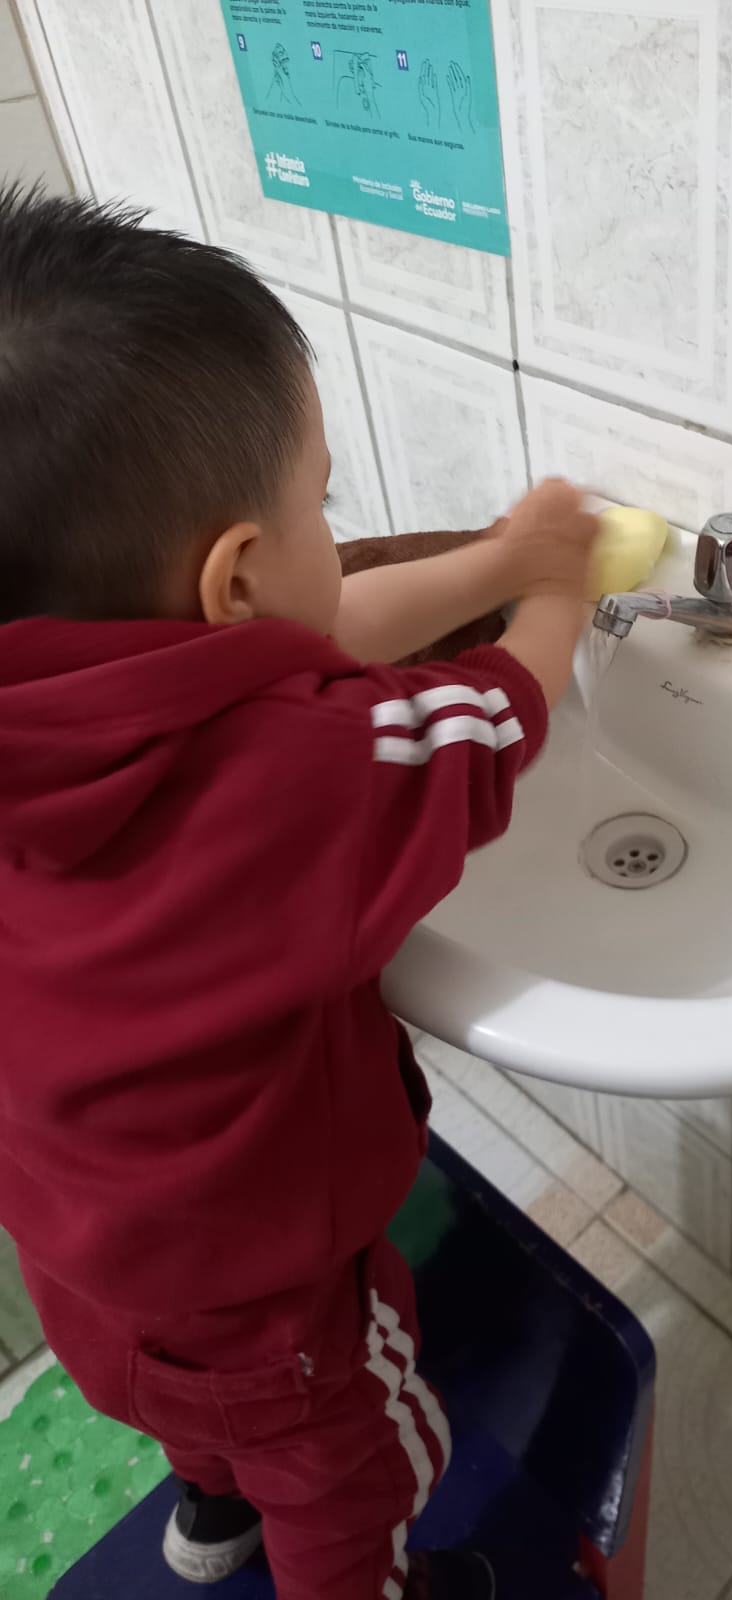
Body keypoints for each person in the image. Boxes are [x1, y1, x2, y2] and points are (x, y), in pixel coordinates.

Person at [0, 185, 599, 1600]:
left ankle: (208, 1513)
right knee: (362, 1470)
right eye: (320, 501)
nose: (334, 528)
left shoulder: (54, 721)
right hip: (275, 1312)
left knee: (194, 1417)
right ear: (232, 577)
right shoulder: (297, 777)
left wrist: (498, 559)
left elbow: (308, 632)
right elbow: (490, 718)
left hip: (88, 1270)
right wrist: (559, 596)